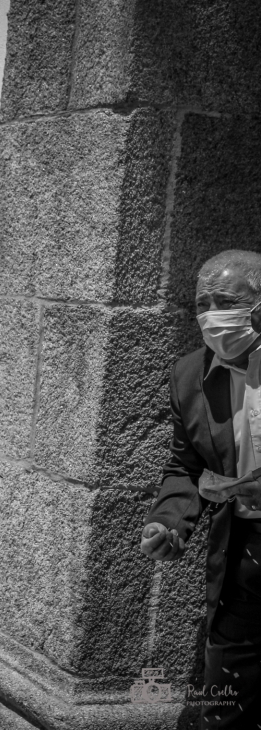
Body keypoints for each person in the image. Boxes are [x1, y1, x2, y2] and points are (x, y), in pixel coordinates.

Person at [141, 249, 261, 728]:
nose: (212, 316)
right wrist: (168, 522)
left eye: (226, 302)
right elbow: (185, 466)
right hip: (243, 555)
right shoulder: (189, 374)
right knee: (226, 701)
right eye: (202, 304)